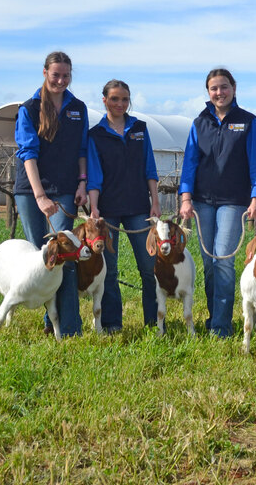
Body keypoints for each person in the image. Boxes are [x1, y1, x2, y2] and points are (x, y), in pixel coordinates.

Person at [179, 68, 256, 338]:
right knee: (208, 262)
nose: (219, 92)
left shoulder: (249, 122)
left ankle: (221, 327)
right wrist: (185, 197)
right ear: (208, 92)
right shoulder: (199, 122)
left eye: (224, 87)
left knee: (224, 260)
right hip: (202, 201)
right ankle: (214, 317)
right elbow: (190, 162)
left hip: (234, 202)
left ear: (234, 88)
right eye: (214, 88)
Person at [13, 51, 89, 337]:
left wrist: (82, 183)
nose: (61, 80)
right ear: (44, 73)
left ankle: (69, 329)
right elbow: (27, 154)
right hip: (32, 190)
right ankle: (51, 319)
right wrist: (40, 196)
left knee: (66, 256)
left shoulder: (78, 108)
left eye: (66, 75)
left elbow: (82, 150)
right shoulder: (30, 107)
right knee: (44, 258)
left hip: (67, 188)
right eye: (56, 74)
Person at [87, 80, 160, 332]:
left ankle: (154, 322)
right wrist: (94, 209)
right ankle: (112, 323)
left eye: (125, 99)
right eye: (115, 99)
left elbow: (149, 166)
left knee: (150, 268)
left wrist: (155, 202)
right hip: (107, 211)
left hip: (140, 207)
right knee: (108, 270)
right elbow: (94, 175)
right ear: (104, 100)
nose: (120, 104)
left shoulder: (140, 129)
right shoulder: (95, 135)